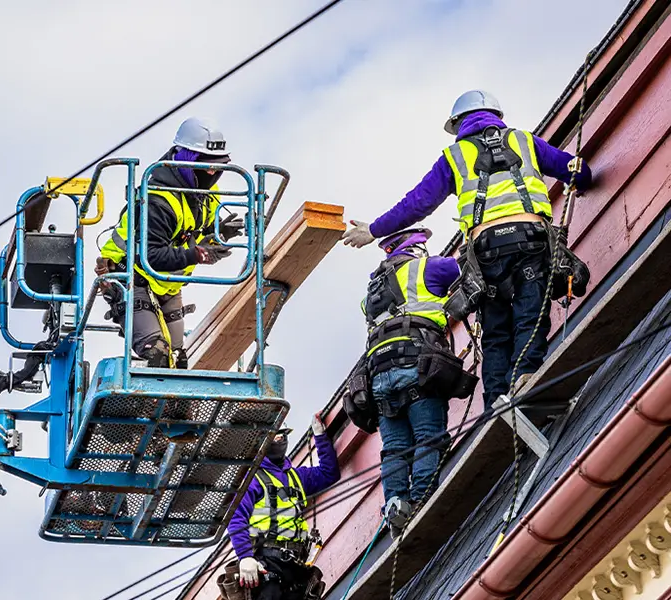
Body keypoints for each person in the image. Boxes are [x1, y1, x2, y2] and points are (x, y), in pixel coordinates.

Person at [342, 90, 593, 408]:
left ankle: (496, 401)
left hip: (486, 253)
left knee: (495, 328)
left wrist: (373, 230)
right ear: (496, 116)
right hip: (531, 240)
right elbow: (576, 171)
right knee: (532, 312)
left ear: (458, 123)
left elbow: (418, 203)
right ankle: (527, 375)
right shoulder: (524, 141)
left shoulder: (454, 157)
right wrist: (582, 179)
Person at [95, 117, 244, 368]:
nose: (212, 173)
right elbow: (152, 256)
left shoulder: (204, 195)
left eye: (218, 167)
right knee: (158, 355)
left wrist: (222, 233)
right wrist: (196, 255)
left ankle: (171, 407)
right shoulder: (158, 198)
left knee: (178, 362)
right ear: (184, 159)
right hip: (129, 277)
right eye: (206, 166)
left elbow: (200, 232)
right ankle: (142, 404)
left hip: (167, 285)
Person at [360, 228, 460, 538]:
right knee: (428, 435)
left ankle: (394, 504)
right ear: (415, 248)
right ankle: (420, 500)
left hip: (378, 375)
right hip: (416, 365)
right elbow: (462, 269)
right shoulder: (426, 267)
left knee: (394, 449)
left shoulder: (370, 296)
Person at [226, 414, 340, 600]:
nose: (279, 441)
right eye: (274, 437)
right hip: (268, 563)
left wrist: (319, 436)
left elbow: (329, 473)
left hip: (296, 566)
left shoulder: (296, 477)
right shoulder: (252, 479)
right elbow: (236, 518)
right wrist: (245, 557)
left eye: (282, 436)